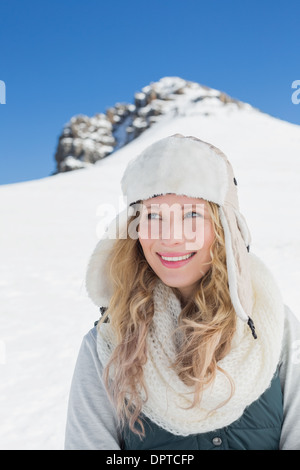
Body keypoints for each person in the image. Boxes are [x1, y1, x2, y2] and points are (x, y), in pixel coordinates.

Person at [65, 134, 300, 450]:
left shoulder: (276, 327)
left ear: (223, 228)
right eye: (153, 217)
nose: (170, 237)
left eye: (191, 216)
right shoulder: (106, 344)